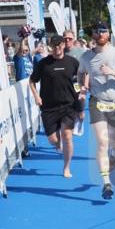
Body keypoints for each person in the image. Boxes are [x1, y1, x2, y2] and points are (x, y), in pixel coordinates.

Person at [78, 23, 115, 200]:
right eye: (96, 31)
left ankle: (114, 157)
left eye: (103, 31)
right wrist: (82, 87)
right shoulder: (86, 56)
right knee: (102, 143)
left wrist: (114, 72)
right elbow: (81, 73)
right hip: (97, 102)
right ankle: (106, 183)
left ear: (108, 33)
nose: (100, 33)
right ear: (93, 35)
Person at [30, 35, 83, 178]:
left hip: (68, 105)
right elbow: (31, 81)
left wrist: (80, 104)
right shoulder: (43, 64)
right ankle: (57, 145)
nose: (57, 48)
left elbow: (78, 82)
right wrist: (36, 96)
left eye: (59, 45)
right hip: (48, 107)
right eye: (54, 46)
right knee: (53, 140)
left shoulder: (72, 62)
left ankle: (66, 167)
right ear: (50, 47)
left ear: (64, 45)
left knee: (67, 136)